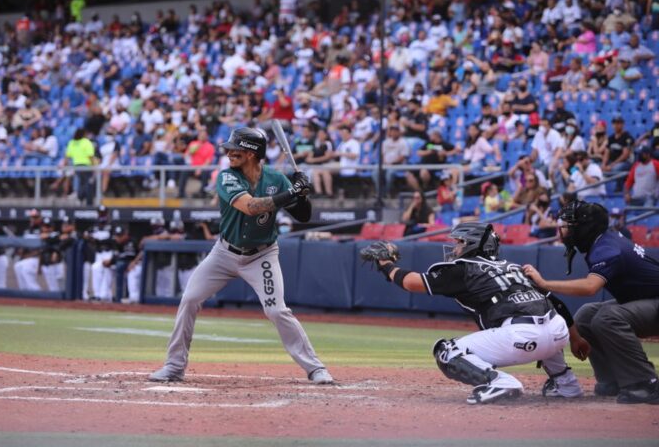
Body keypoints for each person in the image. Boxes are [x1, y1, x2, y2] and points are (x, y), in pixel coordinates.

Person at [149, 127, 333, 384]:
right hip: (224, 253)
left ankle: (315, 368)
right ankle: (174, 366)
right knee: (190, 298)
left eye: (236, 149)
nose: (229, 152)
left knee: (277, 311)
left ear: (252, 153)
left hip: (262, 255)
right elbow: (250, 207)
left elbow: (303, 216)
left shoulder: (276, 180)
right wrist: (291, 192)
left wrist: (302, 193)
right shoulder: (227, 177)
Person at [361, 222, 584, 404]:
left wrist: (385, 264)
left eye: (458, 243)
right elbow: (557, 305)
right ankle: (567, 384)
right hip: (558, 334)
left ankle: (499, 381)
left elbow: (411, 282)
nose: (455, 248)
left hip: (522, 336)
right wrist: (575, 338)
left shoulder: (463, 268)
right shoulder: (515, 267)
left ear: (471, 245)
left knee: (446, 351)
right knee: (545, 318)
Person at [523, 200, 659, 404]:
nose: (563, 229)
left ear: (584, 228)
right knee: (586, 316)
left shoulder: (607, 248)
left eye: (568, 225)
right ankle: (612, 379)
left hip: (654, 301)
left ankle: (645, 383)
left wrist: (544, 283)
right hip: (646, 299)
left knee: (607, 318)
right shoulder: (603, 241)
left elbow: (590, 287)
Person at [14, 209, 43, 291]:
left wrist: (27, 255)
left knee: (26, 269)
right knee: (17, 266)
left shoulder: (43, 228)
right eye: (32, 217)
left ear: (40, 217)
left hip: (38, 258)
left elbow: (41, 249)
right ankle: (24, 293)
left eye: (35, 217)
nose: (33, 219)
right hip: (27, 258)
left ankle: (36, 293)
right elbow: (21, 248)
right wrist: (20, 251)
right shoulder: (27, 230)